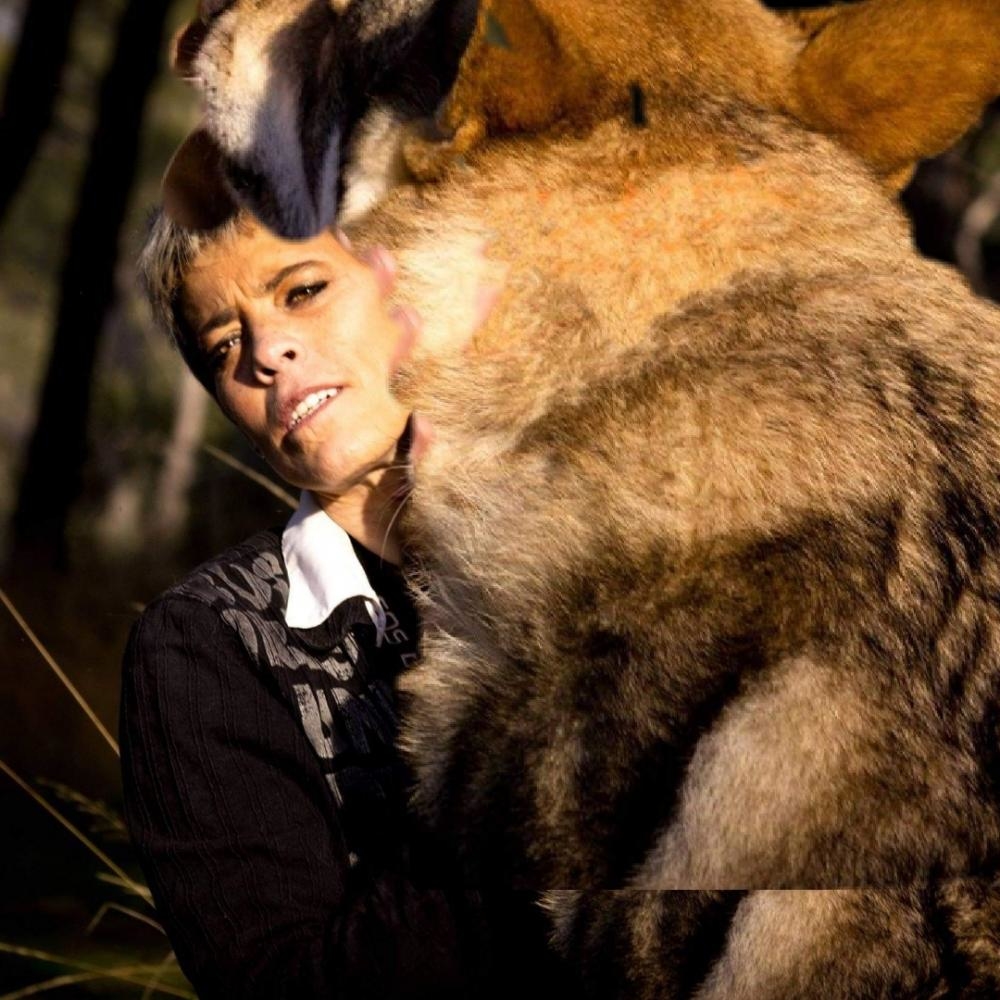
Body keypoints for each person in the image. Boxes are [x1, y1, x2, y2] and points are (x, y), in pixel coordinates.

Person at [121, 204, 560, 998]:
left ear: (416, 279)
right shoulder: (208, 644)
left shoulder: (621, 532)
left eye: (303, 290)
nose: (265, 352)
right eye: (224, 346)